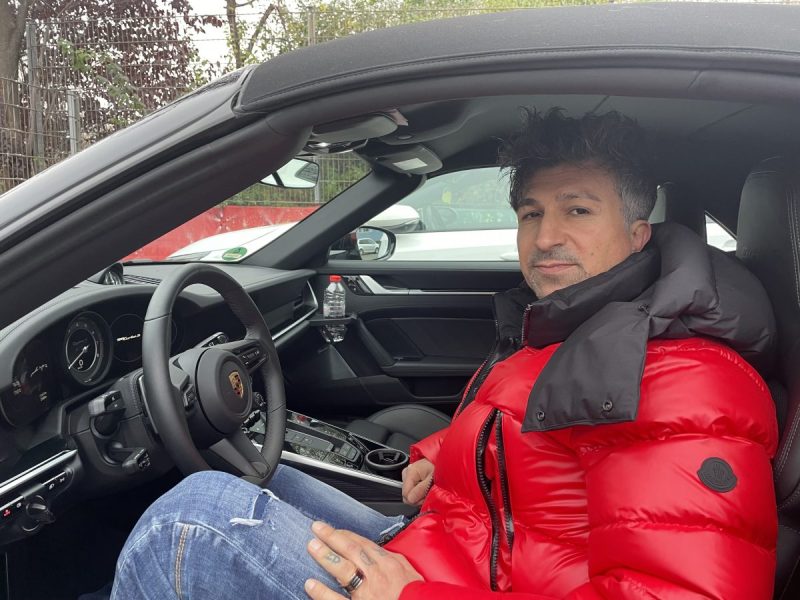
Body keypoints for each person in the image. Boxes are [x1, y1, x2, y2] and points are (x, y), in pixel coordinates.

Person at [110, 109, 779, 600]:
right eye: (531, 214)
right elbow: (523, 437)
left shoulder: (680, 378)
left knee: (189, 523)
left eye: (577, 211)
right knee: (254, 476)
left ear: (637, 235)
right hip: (452, 550)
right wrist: (445, 458)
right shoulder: (579, 327)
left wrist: (410, 595)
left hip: (445, 583)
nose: (546, 237)